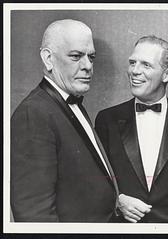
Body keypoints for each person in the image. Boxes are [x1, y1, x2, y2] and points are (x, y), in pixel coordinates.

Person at [11, 19, 119, 222]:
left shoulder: (67, 101)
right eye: (76, 56)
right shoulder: (33, 114)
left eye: (91, 57)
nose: (88, 66)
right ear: (48, 58)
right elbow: (34, 217)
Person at [95, 35, 168, 223]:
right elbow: (95, 178)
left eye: (146, 65)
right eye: (132, 63)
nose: (135, 71)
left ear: (167, 74)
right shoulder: (107, 119)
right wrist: (117, 201)